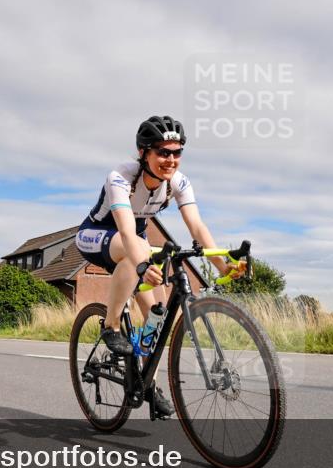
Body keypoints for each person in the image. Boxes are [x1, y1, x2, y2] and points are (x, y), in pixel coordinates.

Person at [75, 115, 245, 419]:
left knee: (156, 317)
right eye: (163, 152)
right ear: (144, 153)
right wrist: (142, 264)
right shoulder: (121, 177)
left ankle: (147, 384)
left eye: (177, 153)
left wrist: (221, 265)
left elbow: (197, 226)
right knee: (136, 253)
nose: (171, 160)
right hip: (98, 234)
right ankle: (111, 325)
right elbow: (127, 231)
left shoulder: (178, 182)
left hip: (135, 241)